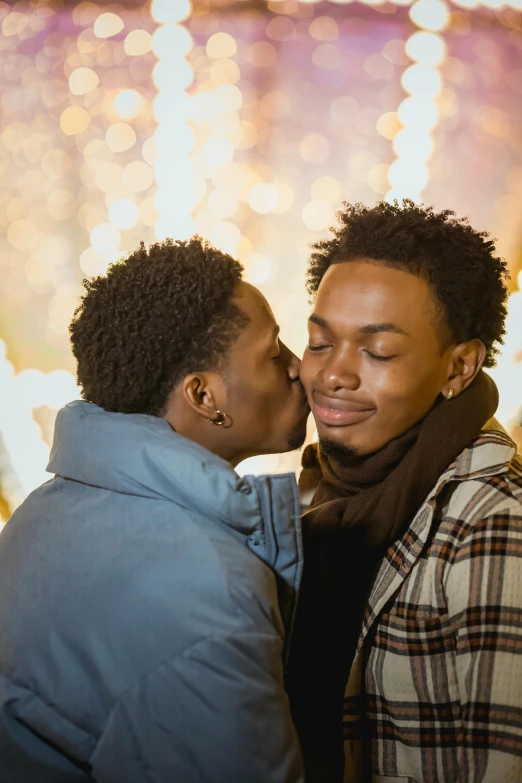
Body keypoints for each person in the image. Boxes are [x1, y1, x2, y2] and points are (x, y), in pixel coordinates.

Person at [0, 237, 310, 783]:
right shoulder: (213, 593)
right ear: (203, 395)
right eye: (273, 351)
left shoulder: (38, 516)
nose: (299, 368)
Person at [287, 201, 522, 782]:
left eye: (379, 351)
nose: (334, 374)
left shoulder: (493, 524)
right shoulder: (312, 495)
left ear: (458, 368)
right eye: (320, 342)